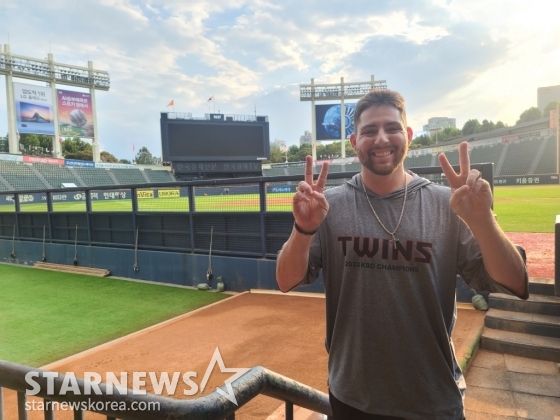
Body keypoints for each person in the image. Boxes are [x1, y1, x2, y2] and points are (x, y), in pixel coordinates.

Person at [275, 89, 528, 420]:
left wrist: (483, 221)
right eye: (369, 131)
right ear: (354, 141)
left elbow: (515, 283)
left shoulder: (447, 203)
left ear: (407, 135)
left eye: (391, 128)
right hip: (352, 400)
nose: (381, 139)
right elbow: (285, 280)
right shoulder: (329, 206)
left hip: (433, 401)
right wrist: (303, 229)